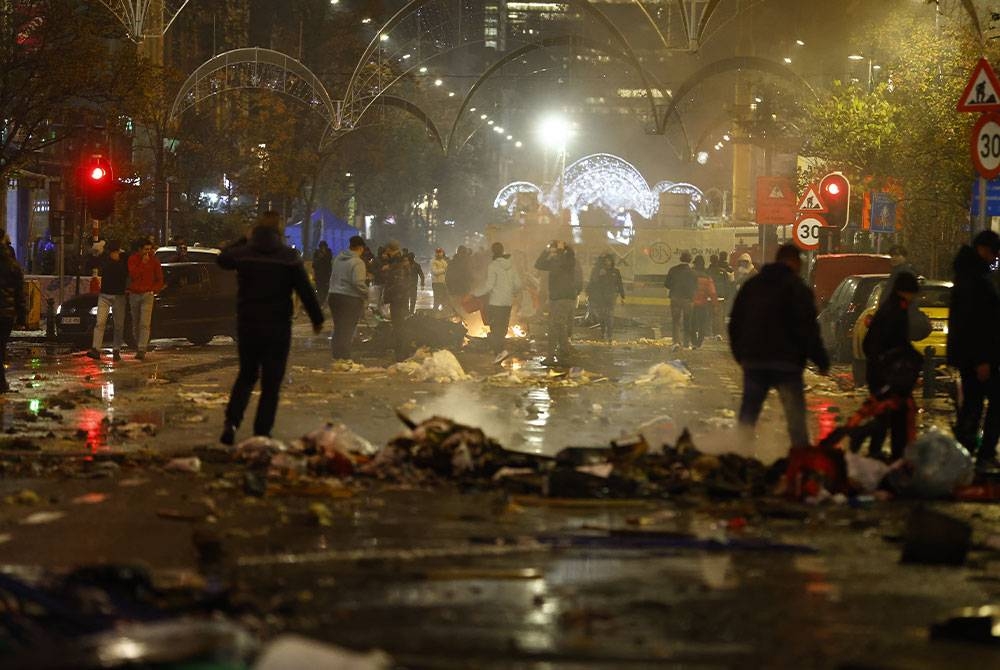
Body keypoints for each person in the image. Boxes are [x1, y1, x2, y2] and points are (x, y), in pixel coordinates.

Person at [217, 212, 324, 445]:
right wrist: (317, 318)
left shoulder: (245, 253)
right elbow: (304, 289)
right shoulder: (288, 256)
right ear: (280, 232)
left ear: (255, 230)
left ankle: (231, 423)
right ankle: (262, 432)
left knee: (246, 375)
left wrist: (242, 240)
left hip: (248, 323)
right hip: (277, 326)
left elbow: (222, 258)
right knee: (271, 382)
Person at [729, 243, 830, 450]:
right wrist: (821, 360)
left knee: (748, 414)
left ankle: (740, 458)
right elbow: (809, 328)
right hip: (787, 364)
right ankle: (800, 463)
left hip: (755, 361)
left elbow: (736, 322)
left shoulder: (753, 286)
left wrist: (740, 354)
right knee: (795, 419)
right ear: (795, 262)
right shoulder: (799, 289)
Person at [948, 229, 1000, 471]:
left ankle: (966, 454)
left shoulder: (969, 275)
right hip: (980, 357)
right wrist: (982, 359)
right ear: (984, 250)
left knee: (973, 403)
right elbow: (976, 322)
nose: (993, 258)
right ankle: (979, 454)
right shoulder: (974, 279)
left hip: (975, 356)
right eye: (993, 253)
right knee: (985, 403)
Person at [860, 272, 923, 460]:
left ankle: (882, 453)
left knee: (888, 414)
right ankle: (889, 455)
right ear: (906, 292)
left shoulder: (893, 308)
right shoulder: (895, 312)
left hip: (884, 372)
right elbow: (889, 343)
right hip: (886, 374)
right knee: (891, 415)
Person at [474, 242, 522, 363]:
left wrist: (476, 293)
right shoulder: (512, 266)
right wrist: (513, 293)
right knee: (503, 329)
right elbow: (518, 284)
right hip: (507, 303)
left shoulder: (493, 266)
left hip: (496, 303)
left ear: (493, 252)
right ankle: (499, 354)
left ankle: (500, 351)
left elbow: (489, 286)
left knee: (495, 329)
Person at [534, 240, 576, 365]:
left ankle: (551, 356)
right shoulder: (554, 261)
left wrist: (565, 247)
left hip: (563, 298)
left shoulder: (568, 261)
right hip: (556, 298)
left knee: (553, 327)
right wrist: (546, 250)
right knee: (559, 326)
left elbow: (569, 256)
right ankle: (564, 351)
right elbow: (539, 264)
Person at [86, 241, 128, 362]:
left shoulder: (123, 260)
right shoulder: (106, 260)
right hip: (106, 294)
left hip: (118, 295)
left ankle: (116, 349)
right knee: (100, 322)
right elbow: (92, 264)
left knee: (118, 324)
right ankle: (96, 349)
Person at [328, 235, 368, 361]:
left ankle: (337, 355)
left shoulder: (338, 259)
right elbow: (358, 283)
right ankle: (344, 357)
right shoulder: (357, 262)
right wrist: (367, 293)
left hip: (334, 296)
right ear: (360, 248)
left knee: (339, 326)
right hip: (350, 299)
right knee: (348, 328)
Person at [127, 239, 164, 360]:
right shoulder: (133, 259)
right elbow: (133, 275)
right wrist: (142, 264)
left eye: (149, 249)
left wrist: (154, 290)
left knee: (144, 323)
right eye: (145, 249)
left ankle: (142, 348)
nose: (148, 252)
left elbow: (159, 278)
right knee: (136, 322)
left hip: (147, 294)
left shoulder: (154, 261)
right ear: (140, 249)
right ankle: (139, 344)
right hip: (134, 294)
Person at [378, 240, 412, 361]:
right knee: (399, 326)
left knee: (399, 327)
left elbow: (399, 283)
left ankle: (401, 355)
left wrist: (388, 296)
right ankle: (402, 353)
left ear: (390, 250)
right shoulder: (397, 262)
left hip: (398, 300)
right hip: (399, 299)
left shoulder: (398, 262)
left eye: (387, 251)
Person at [0, 245, 26, 393]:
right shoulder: (13, 266)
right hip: (7, 314)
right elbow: (19, 294)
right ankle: (2, 383)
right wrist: (21, 317)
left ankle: (2, 383)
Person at [586, 254, 625, 342]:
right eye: (606, 261)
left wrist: (622, 296)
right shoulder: (600, 271)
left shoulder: (615, 272)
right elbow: (594, 283)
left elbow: (619, 283)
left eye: (609, 260)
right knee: (602, 316)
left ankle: (610, 334)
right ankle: (603, 331)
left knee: (610, 316)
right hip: (601, 297)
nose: (608, 262)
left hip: (611, 297)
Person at [664, 251, 696, 350]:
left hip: (675, 298)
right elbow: (695, 287)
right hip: (687, 300)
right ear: (690, 260)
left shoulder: (673, 270)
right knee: (687, 321)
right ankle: (686, 343)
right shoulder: (692, 272)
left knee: (676, 321)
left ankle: (676, 342)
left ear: (680, 259)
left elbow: (667, 284)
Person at [690, 255, 717, 348]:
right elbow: (712, 292)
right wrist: (714, 304)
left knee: (692, 322)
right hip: (703, 303)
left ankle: (693, 341)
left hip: (692, 303)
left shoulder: (691, 275)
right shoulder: (707, 277)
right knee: (702, 323)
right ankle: (699, 342)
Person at [708, 253, 734, 338]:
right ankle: (718, 333)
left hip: (709, 297)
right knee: (719, 315)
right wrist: (727, 296)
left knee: (709, 314)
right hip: (720, 296)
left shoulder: (707, 271)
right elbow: (727, 285)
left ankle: (710, 332)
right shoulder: (724, 271)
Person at [312, 240, 333, 307]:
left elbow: (329, 261)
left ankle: (321, 302)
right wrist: (320, 258)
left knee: (325, 290)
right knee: (319, 290)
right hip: (319, 275)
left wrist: (324, 256)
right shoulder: (316, 252)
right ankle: (319, 303)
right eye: (322, 247)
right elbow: (314, 264)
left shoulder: (328, 252)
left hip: (326, 275)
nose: (323, 248)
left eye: (324, 247)